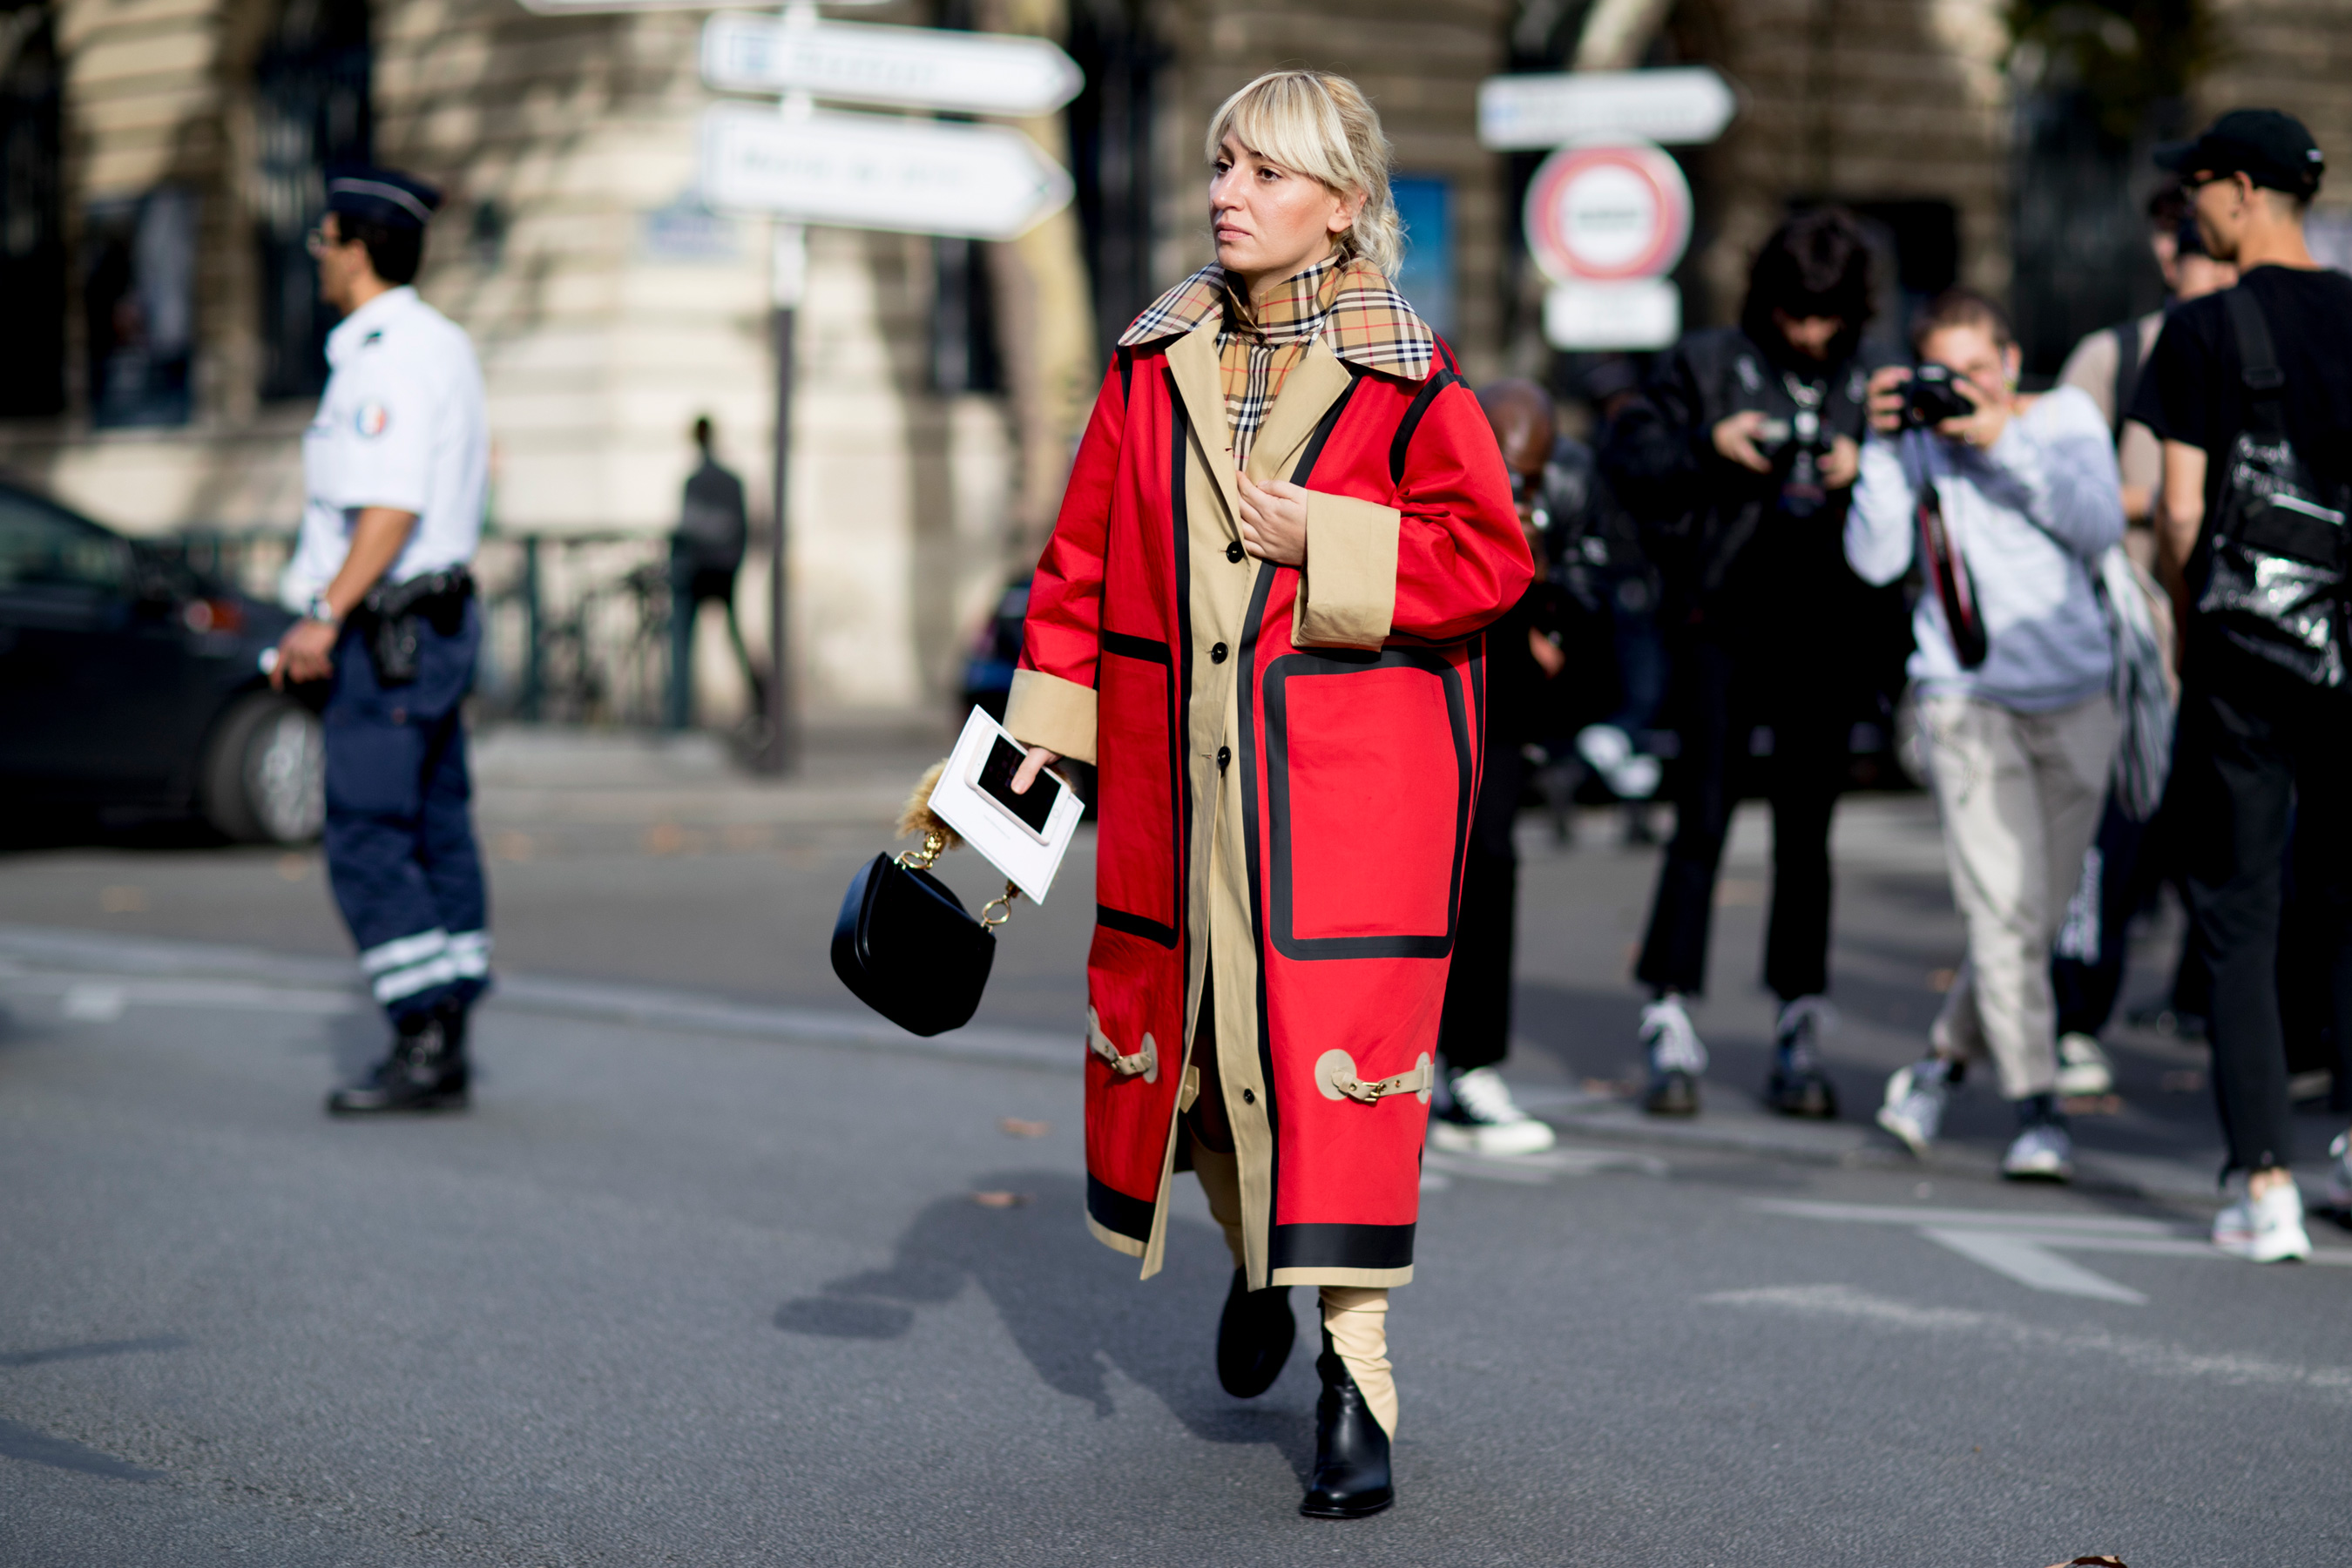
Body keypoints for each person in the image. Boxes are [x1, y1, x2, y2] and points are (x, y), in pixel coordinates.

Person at [997, 70, 1529, 1518]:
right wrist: (1042, 737)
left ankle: (1356, 1376)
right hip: (1182, 786)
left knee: (1338, 1070)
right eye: (1224, 164)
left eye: (1267, 173)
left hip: (1351, 805)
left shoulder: (1417, 379)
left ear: (1344, 209)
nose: (1228, 191)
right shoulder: (1147, 361)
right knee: (1212, 1043)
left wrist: (1333, 540)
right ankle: (1252, 1252)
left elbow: (1489, 566)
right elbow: (1082, 566)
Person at [1600, 208, 1883, 1119]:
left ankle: (1799, 1020)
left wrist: (1862, 464)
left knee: (1809, 834)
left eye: (1827, 317)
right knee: (1703, 819)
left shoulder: (1870, 381)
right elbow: (1629, 457)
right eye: (1797, 314)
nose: (1810, 333)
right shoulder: (1711, 362)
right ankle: (1669, 1016)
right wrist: (1708, 447)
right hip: (1720, 619)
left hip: (1829, 626)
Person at [2129, 109, 2351, 1262]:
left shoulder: (2204, 332)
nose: (2190, 207)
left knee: (2241, 910)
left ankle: (2264, 1183)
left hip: (2246, 660)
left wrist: (2183, 617)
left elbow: (2176, 509)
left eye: (2199, 185)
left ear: (2247, 192)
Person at [1853, 289, 2126, 1182]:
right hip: (1966, 700)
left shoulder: (2067, 420)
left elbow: (2099, 524)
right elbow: (1875, 560)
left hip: (2079, 699)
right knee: (2000, 908)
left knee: (2031, 918)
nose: (1960, 391)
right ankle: (2038, 1109)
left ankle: (1936, 1066)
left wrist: (2002, 438)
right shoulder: (1914, 443)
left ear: (2009, 364)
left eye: (1976, 371)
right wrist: (1887, 450)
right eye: (1944, 374)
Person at [273, 166, 492, 1116]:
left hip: (387, 627)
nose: (318, 256)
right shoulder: (439, 343)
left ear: (358, 250)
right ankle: (447, 1027)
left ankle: (422, 1032)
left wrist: (324, 614)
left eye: (324, 240)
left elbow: (390, 506)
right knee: (436, 823)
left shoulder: (384, 354)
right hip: (434, 622)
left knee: (367, 833)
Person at [2043, 211, 2235, 1097]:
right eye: (2178, 241)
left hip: (2237, 642)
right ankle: (2077, 1014)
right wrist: (2154, 503)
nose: (2183, 257)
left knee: (2236, 852)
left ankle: (2236, 1015)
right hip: (2143, 638)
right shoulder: (2115, 356)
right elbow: (2062, 480)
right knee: (2116, 842)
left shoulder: (2263, 342)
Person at [1424, 380, 1566, 1159]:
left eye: (1530, 475)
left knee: (1490, 865)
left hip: (1502, 697)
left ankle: (1473, 1066)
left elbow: (1614, 593)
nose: (1518, 488)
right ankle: (1406, 1061)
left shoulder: (1570, 497)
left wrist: (1554, 599)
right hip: (1422, 680)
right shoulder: (1440, 466)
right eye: (1505, 470)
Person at [665, 416, 760, 732]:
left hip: (699, 570)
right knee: (733, 638)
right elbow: (742, 528)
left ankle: (683, 711)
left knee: (685, 642)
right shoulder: (732, 480)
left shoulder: (694, 482)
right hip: (724, 570)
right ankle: (755, 701)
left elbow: (688, 526)